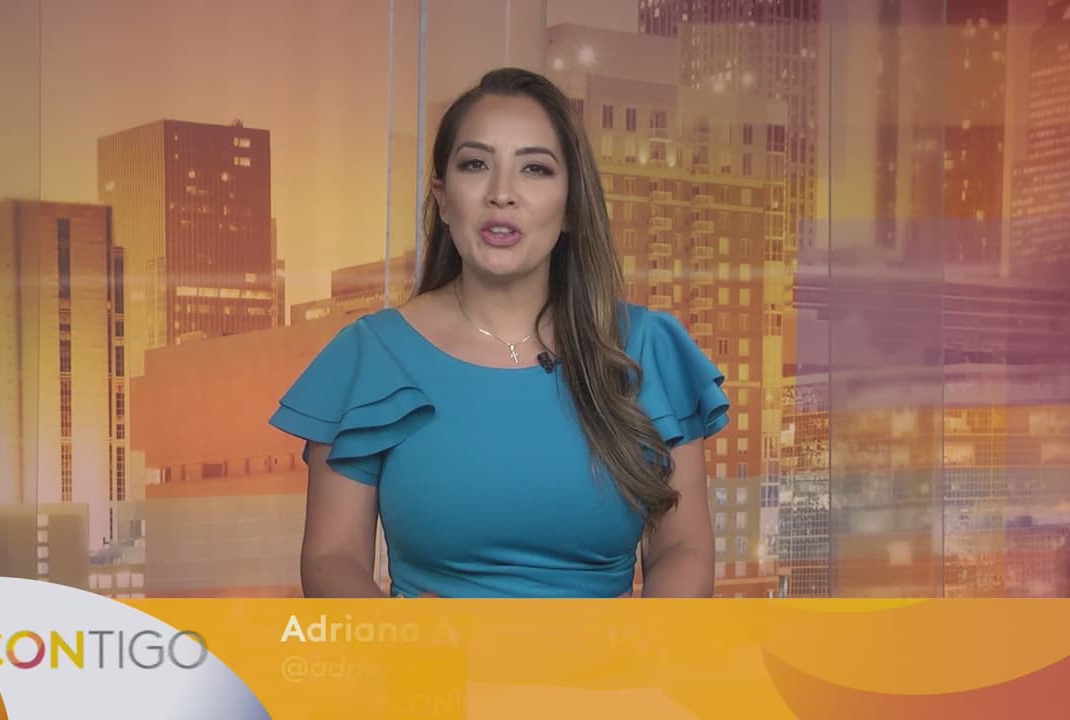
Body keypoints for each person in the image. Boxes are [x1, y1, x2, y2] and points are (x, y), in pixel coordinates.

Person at [269, 67, 729, 598]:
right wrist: (408, 652)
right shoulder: (371, 356)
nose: (502, 193)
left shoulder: (647, 347)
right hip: (426, 653)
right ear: (444, 198)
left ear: (571, 206)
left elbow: (684, 548)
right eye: (476, 164)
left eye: (535, 168)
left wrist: (642, 649)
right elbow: (333, 560)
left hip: (614, 655)